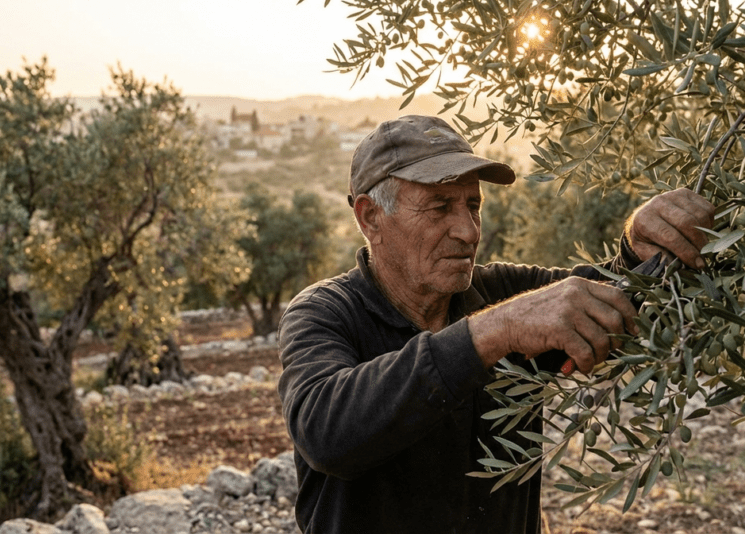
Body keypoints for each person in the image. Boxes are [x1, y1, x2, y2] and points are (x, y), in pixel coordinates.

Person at [276, 115, 715, 534]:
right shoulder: (324, 312)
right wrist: (493, 332)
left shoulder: (502, 290)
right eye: (440, 207)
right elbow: (326, 432)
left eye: (473, 205)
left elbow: (609, 297)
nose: (468, 231)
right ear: (370, 218)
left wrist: (638, 253)